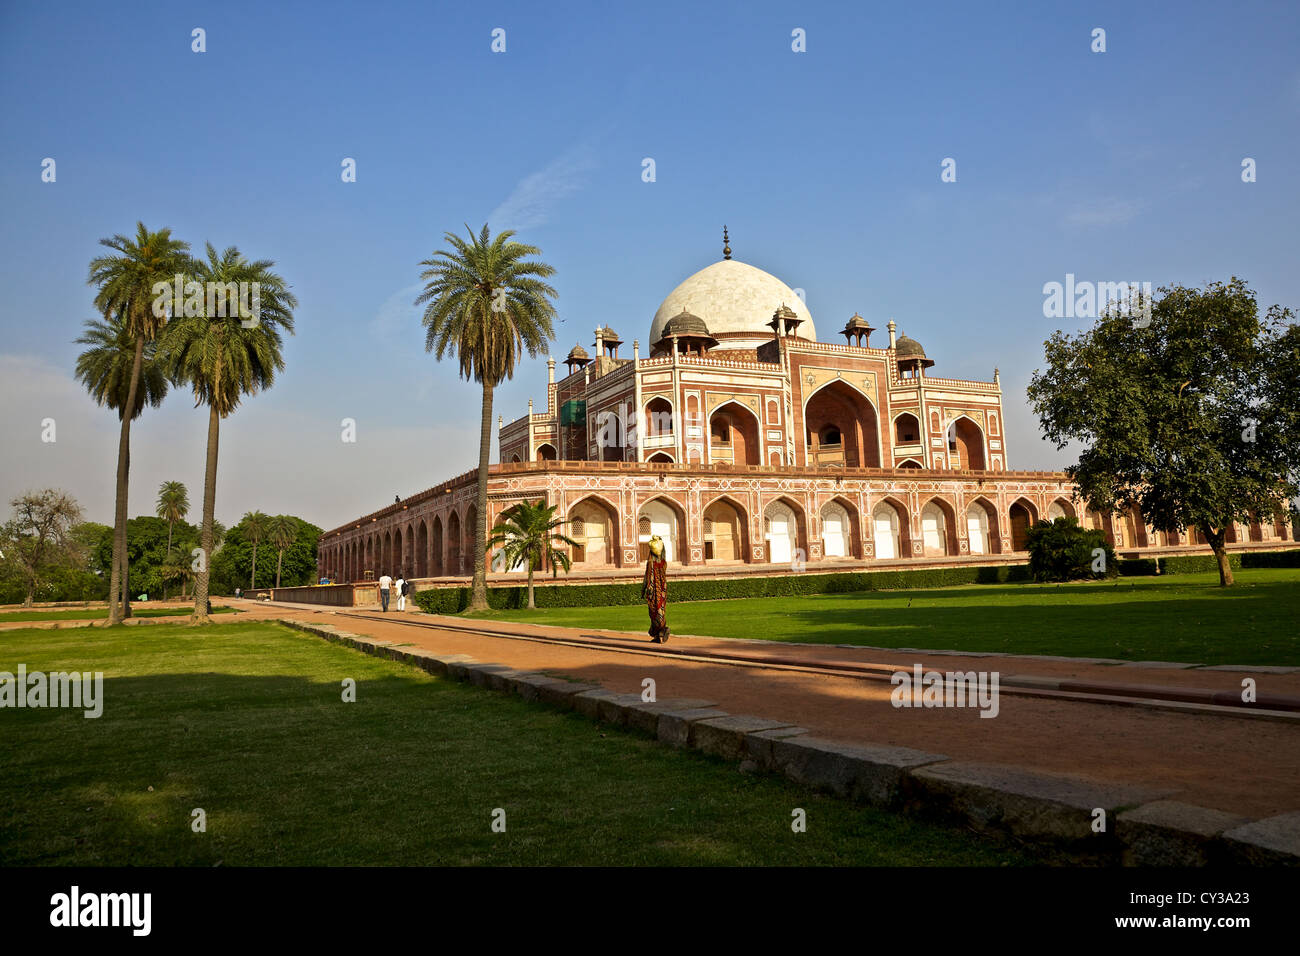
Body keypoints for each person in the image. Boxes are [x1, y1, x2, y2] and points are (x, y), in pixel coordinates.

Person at [642, 535, 669, 643]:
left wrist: (644, 589)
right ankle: (658, 635)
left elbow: (647, 578)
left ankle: (662, 630)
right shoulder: (663, 563)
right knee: (660, 611)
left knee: (654, 612)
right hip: (662, 590)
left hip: (653, 592)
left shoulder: (651, 563)